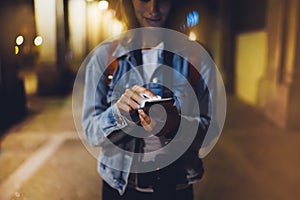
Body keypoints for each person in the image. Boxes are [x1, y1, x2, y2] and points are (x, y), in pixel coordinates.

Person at [82, 0, 214, 199]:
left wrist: (176, 125)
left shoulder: (197, 57)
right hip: (121, 188)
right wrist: (118, 114)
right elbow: (91, 132)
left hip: (176, 187)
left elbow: (210, 130)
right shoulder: (105, 57)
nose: (153, 9)